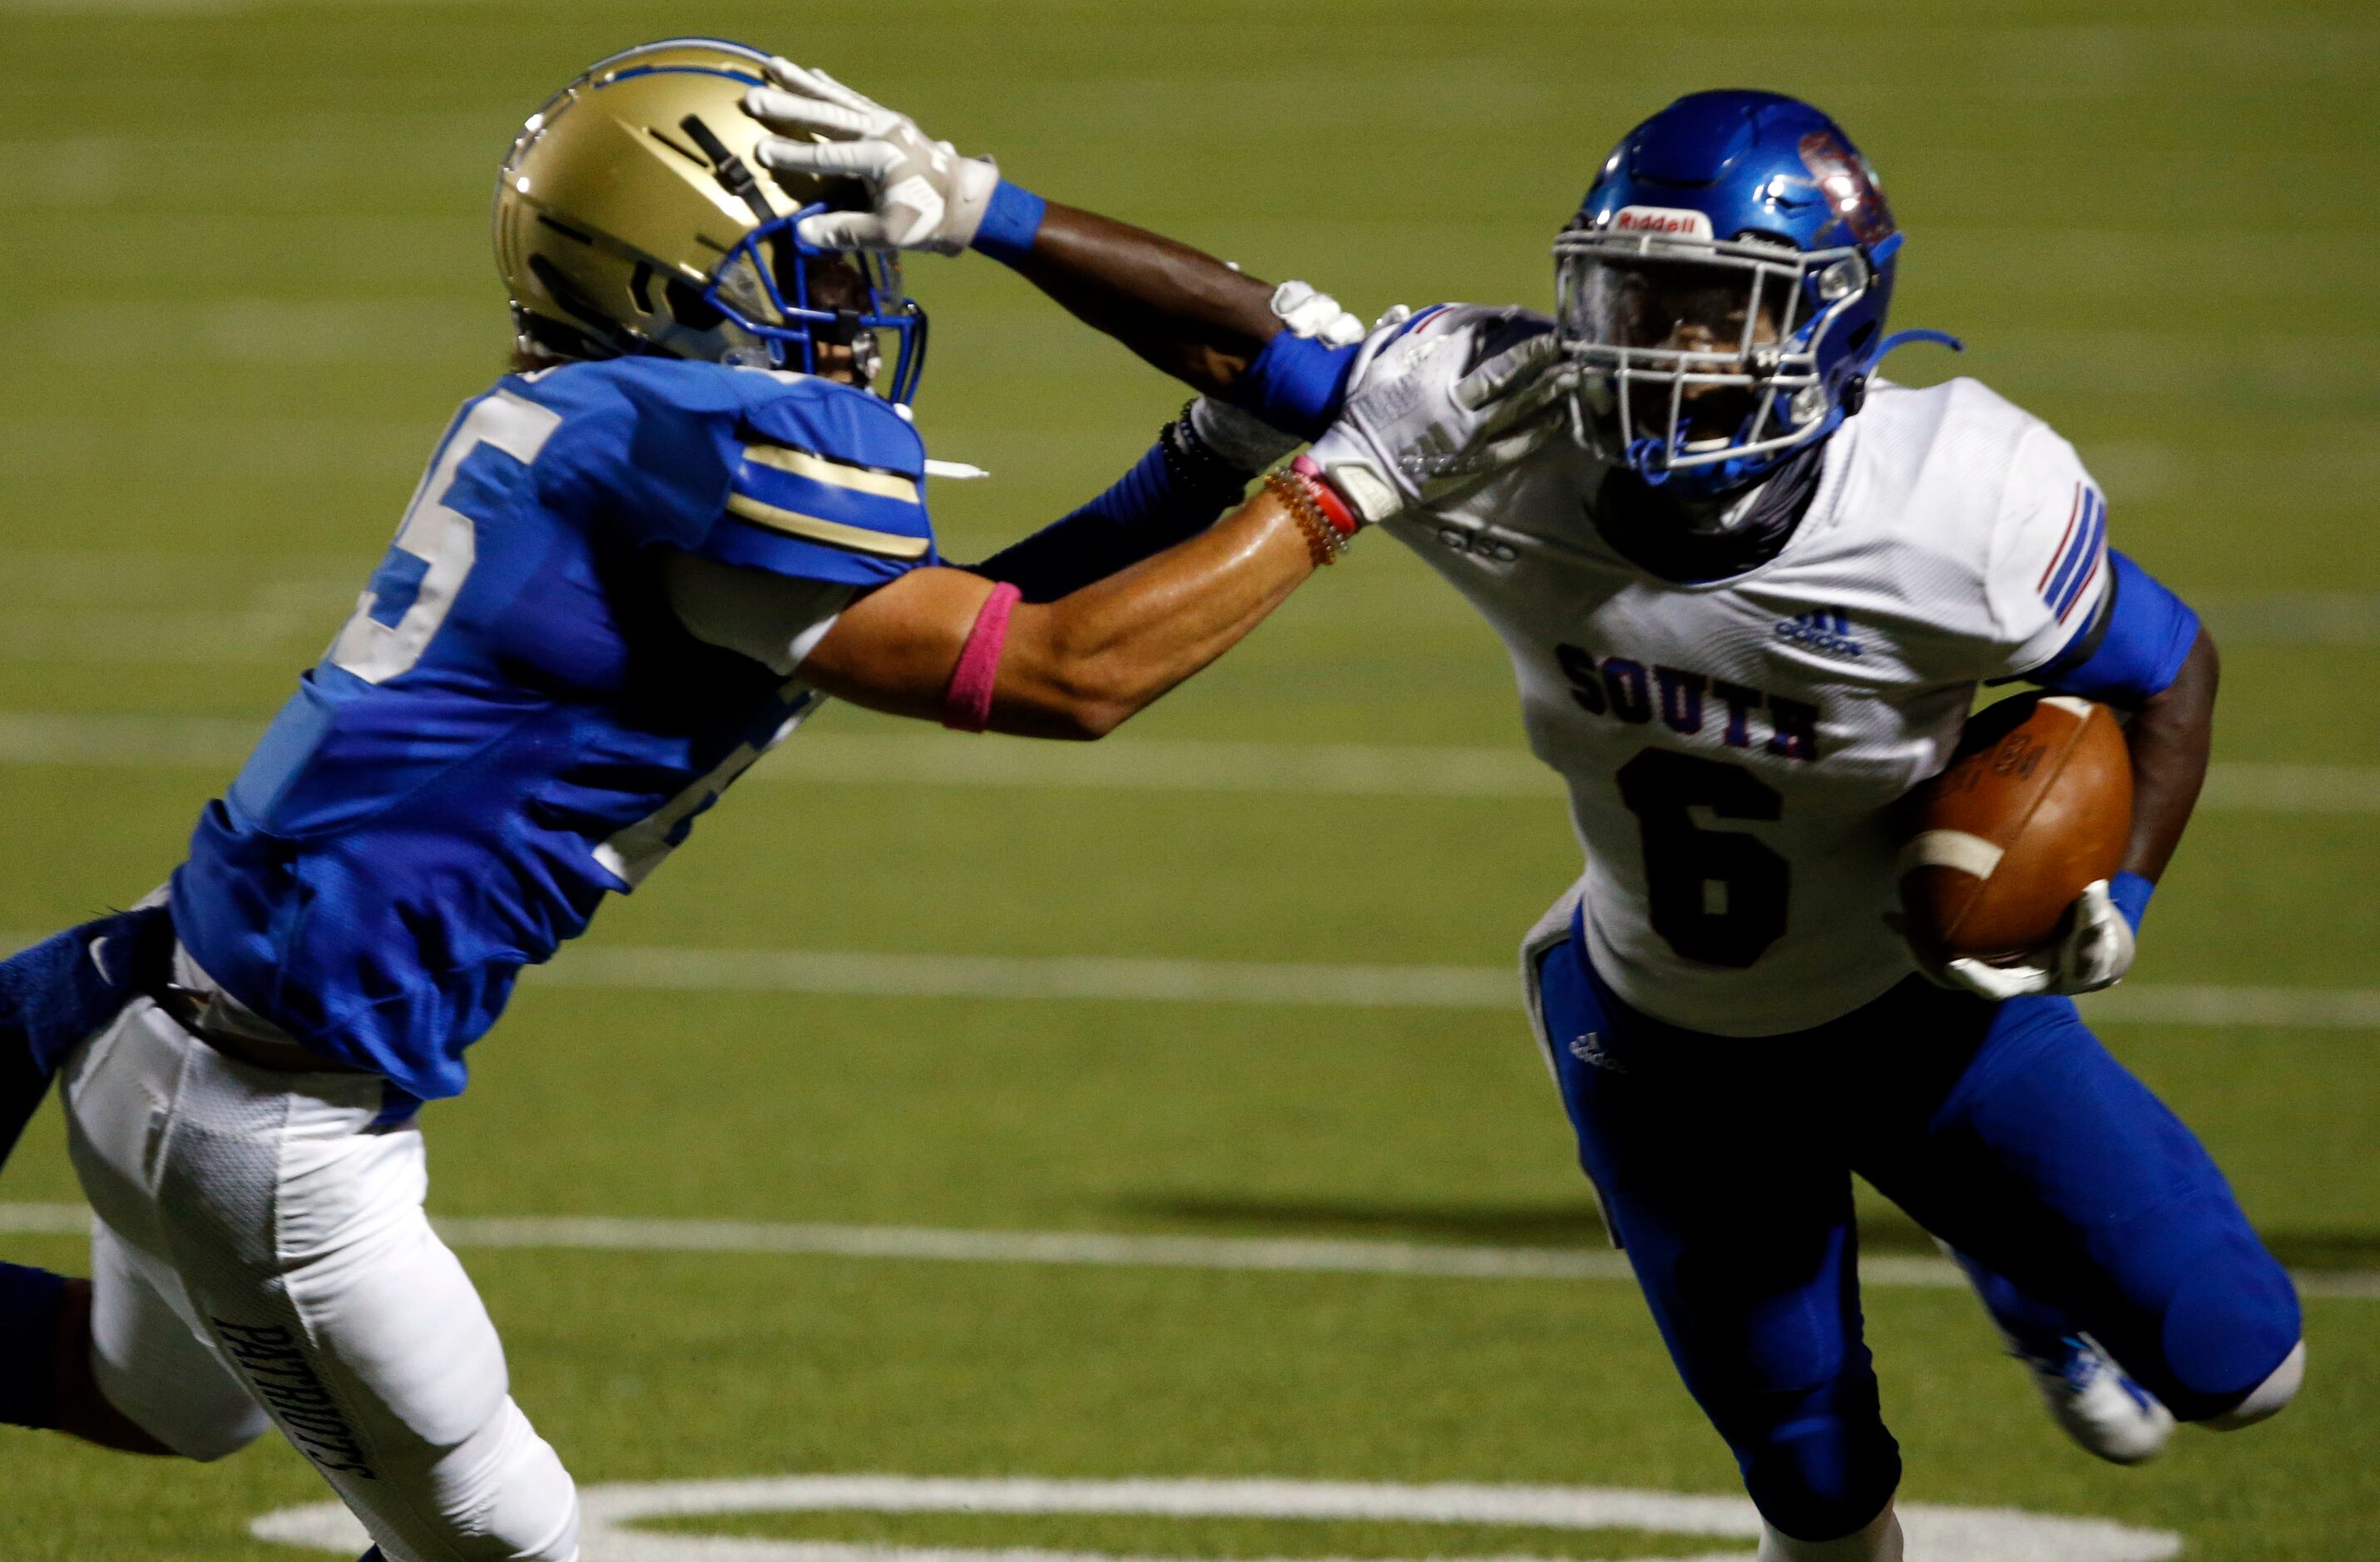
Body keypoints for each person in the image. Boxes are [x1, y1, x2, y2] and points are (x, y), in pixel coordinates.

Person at [0, 37, 1543, 1562]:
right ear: (659, 278)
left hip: (175, 1011)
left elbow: (922, 621)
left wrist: (1203, 461)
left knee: (159, 1402)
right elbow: (1058, 675)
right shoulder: (688, 446)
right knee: (507, 1547)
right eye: (804, 267)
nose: (860, 304)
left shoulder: (597, 427)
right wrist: (1341, 485)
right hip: (272, 1122)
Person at [747, 69, 2308, 1562]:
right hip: (1668, 1033)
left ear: (1833, 322)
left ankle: (2007, 1257)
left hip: (1924, 1007)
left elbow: (2167, 672)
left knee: (2246, 1364)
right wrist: (977, 209)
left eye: (1713, 311)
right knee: (1820, 1493)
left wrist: (2125, 891)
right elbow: (1249, 342)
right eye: (1628, 304)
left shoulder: (1961, 507)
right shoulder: (1498, 425)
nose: (1658, 352)